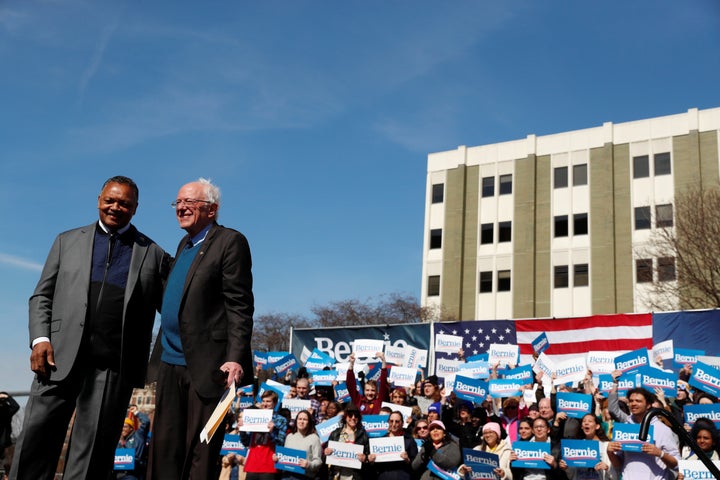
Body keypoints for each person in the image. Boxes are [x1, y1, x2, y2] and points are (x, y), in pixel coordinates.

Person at [11, 176, 168, 480]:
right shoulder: (66, 241)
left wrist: (156, 363)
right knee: (35, 442)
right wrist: (40, 339)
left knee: (92, 453)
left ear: (135, 209)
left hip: (112, 368)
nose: (115, 207)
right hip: (56, 359)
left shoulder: (153, 253)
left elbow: (174, 310)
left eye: (124, 203)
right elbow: (41, 295)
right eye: (110, 200)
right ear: (98, 200)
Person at [147, 177, 254, 480]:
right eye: (177, 202)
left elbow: (240, 305)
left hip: (208, 367)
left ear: (212, 209)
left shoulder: (230, 242)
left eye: (189, 202)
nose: (181, 207)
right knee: (165, 450)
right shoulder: (183, 245)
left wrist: (235, 356)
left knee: (201, 451)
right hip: (170, 362)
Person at [606, 387, 680, 480]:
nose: (633, 404)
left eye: (638, 401)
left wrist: (660, 453)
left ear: (648, 405)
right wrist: (610, 453)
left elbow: (677, 464)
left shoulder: (663, 429)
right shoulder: (625, 428)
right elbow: (618, 464)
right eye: (631, 401)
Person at [238, 390, 288, 480]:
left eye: (268, 401)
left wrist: (271, 432)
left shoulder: (281, 420)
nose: (265, 404)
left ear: (275, 403)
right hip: (252, 463)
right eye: (263, 401)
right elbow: (245, 442)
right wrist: (242, 429)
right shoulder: (253, 416)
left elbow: (281, 443)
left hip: (269, 464)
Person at [558, 413, 616, 480]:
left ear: (597, 426)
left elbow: (615, 474)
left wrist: (607, 468)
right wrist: (566, 468)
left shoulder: (606, 445)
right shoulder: (577, 446)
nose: (586, 423)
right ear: (581, 427)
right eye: (584, 421)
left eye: (590, 421)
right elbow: (573, 473)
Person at [367, 410, 418, 480]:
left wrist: (407, 460)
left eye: (397, 421)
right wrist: (371, 461)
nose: (394, 424)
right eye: (391, 421)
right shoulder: (380, 441)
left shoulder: (409, 440)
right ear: (388, 422)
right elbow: (374, 466)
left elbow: (416, 464)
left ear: (402, 423)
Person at [325, 405, 370, 480]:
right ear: (345, 417)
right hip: (336, 475)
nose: (353, 418)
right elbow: (326, 452)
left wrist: (365, 458)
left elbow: (368, 456)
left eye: (356, 415)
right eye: (350, 415)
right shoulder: (335, 433)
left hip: (354, 476)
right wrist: (326, 451)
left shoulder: (363, 435)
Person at [276, 410, 323, 480]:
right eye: (300, 419)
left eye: (305, 419)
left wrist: (309, 464)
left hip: (304, 476)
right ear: (296, 421)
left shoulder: (314, 438)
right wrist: (277, 458)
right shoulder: (289, 436)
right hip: (287, 475)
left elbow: (318, 461)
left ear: (309, 422)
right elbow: (284, 456)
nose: (301, 422)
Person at [116, 407, 151, 480]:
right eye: (121, 427)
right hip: (118, 474)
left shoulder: (138, 435)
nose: (122, 429)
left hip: (133, 475)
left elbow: (146, 422)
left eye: (125, 427)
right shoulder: (118, 440)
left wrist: (136, 412)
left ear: (131, 428)